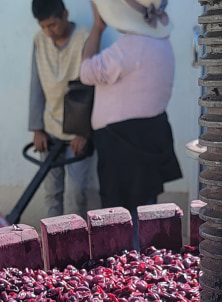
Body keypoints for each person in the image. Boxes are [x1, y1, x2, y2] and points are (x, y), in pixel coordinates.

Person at [80, 0, 182, 227]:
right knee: (145, 212)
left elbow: (86, 72)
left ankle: (127, 261)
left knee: (121, 220)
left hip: (123, 145)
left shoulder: (130, 46)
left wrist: (97, 28)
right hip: (150, 135)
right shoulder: (163, 43)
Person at [30, 0, 94, 218]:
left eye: (53, 25)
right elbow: (36, 83)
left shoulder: (84, 38)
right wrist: (37, 128)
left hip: (78, 132)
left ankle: (75, 248)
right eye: (44, 27)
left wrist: (83, 132)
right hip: (49, 129)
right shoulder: (40, 40)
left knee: (76, 194)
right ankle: (53, 247)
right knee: (51, 193)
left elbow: (91, 89)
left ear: (65, 14)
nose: (49, 32)